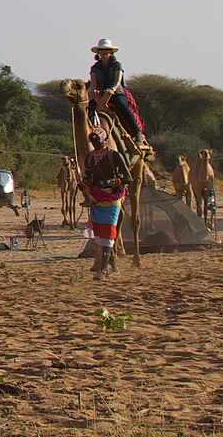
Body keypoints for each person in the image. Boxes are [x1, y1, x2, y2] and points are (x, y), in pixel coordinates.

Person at [80, 131, 129, 279]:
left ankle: (102, 270)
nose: (96, 144)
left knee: (108, 235)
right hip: (96, 199)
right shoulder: (89, 158)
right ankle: (107, 264)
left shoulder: (114, 156)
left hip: (112, 198)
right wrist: (84, 183)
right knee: (100, 236)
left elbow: (127, 178)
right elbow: (88, 176)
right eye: (93, 141)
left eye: (98, 141)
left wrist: (110, 182)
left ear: (105, 140)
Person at [87, 38, 143, 143]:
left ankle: (137, 132)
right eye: (102, 50)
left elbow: (117, 82)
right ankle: (90, 131)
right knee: (89, 108)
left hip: (116, 93)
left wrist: (111, 90)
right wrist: (94, 91)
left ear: (111, 52)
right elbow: (93, 83)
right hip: (100, 94)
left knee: (122, 106)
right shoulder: (95, 67)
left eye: (107, 50)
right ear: (98, 52)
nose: (104, 52)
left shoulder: (116, 65)